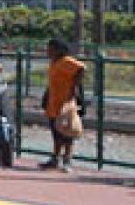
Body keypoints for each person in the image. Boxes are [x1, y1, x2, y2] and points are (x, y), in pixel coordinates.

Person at [40, 39, 86, 173]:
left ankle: (67, 159)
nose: (48, 52)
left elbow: (81, 68)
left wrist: (73, 87)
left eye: (51, 49)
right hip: (54, 101)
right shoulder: (54, 63)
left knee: (67, 131)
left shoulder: (66, 61)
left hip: (65, 102)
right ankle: (55, 158)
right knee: (55, 131)